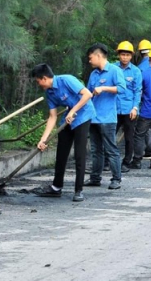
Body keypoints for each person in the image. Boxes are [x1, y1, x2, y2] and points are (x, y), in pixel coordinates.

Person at [32, 64, 96, 202]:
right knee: (61, 152)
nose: (38, 84)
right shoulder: (49, 92)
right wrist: (43, 139)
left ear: (44, 78)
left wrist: (73, 110)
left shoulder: (66, 80)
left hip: (83, 114)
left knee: (80, 153)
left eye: (38, 81)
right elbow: (52, 117)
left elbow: (87, 95)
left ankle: (78, 190)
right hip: (68, 117)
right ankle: (56, 187)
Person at [85, 43, 126, 190]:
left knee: (111, 149)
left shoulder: (114, 70)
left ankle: (116, 178)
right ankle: (95, 178)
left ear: (98, 56)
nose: (89, 61)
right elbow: (88, 93)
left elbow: (122, 88)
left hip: (108, 118)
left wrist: (103, 88)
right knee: (96, 150)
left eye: (91, 58)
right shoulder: (93, 74)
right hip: (93, 117)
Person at [115, 41, 142, 169]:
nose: (125, 57)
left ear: (131, 56)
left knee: (129, 137)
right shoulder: (112, 68)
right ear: (119, 55)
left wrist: (135, 108)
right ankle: (107, 162)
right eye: (122, 54)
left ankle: (126, 162)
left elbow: (137, 91)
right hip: (113, 109)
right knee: (108, 136)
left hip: (129, 110)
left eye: (127, 55)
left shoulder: (136, 71)